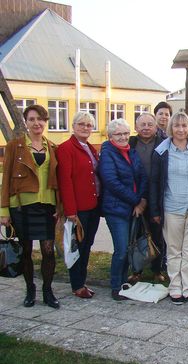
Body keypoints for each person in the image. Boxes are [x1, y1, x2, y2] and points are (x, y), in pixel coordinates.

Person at [149, 112, 188, 305]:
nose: (181, 130)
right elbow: (154, 182)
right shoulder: (161, 152)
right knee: (174, 251)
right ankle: (175, 287)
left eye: (184, 126)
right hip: (171, 208)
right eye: (177, 126)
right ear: (171, 129)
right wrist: (155, 211)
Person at [0, 104, 60, 308]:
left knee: (48, 251)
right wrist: (4, 211)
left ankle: (48, 290)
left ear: (45, 122)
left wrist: (60, 206)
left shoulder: (52, 147)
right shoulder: (14, 146)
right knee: (26, 251)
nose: (37, 123)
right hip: (22, 207)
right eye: (32, 119)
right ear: (26, 122)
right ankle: (29, 289)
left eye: (41, 119)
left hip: (46, 207)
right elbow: (6, 178)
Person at [99, 119, 148, 301]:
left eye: (126, 133)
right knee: (120, 249)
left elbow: (142, 176)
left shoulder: (131, 152)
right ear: (110, 136)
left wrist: (141, 201)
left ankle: (123, 282)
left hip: (133, 208)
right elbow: (112, 182)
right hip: (116, 209)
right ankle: (115, 286)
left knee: (128, 248)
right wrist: (137, 200)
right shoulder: (107, 154)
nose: (123, 137)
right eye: (119, 134)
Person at [56, 111, 101, 299]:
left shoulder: (90, 147)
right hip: (79, 207)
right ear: (73, 126)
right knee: (78, 247)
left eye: (89, 125)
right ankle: (76, 284)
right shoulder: (66, 148)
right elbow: (65, 181)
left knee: (87, 244)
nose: (85, 128)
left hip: (94, 205)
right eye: (81, 124)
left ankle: (82, 281)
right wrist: (71, 211)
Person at [127, 113, 166, 283]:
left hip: (157, 195)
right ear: (136, 128)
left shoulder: (163, 144)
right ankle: (137, 270)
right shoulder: (130, 144)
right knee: (137, 234)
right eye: (142, 124)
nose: (146, 127)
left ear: (156, 127)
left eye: (150, 124)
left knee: (157, 235)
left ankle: (157, 269)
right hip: (135, 196)